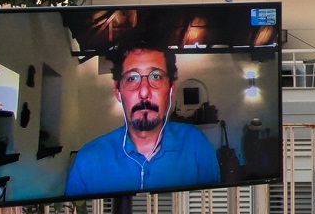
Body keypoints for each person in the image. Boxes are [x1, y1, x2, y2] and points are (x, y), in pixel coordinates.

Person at [65, 41, 221, 195]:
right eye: (132, 78)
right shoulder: (87, 160)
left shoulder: (196, 145)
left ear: (171, 90)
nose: (144, 92)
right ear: (117, 92)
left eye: (156, 76)